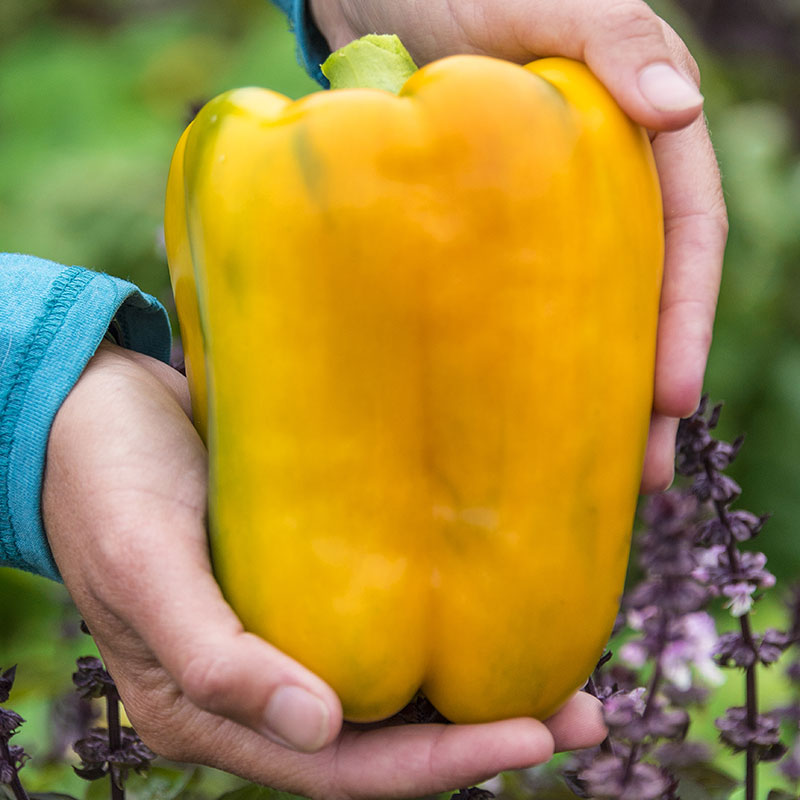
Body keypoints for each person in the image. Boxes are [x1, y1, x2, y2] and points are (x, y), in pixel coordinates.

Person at [1, 0, 727, 797]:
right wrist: (38, 391)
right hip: (432, 649)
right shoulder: (568, 122)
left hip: (358, 640)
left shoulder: (231, 156)